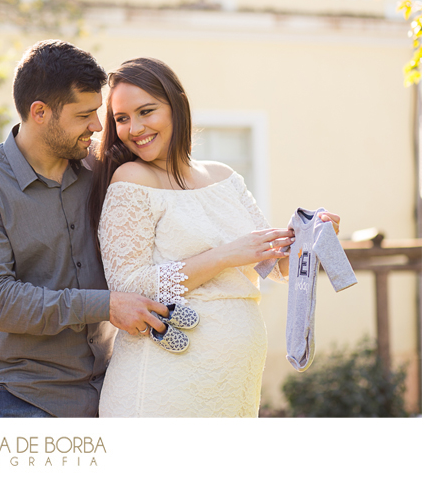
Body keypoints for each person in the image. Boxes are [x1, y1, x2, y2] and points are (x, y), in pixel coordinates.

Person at [88, 57, 340, 418]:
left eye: (146, 111)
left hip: (233, 385)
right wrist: (223, 256)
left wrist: (312, 239)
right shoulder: (131, 179)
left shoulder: (224, 177)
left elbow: (276, 266)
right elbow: (130, 287)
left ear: (176, 105)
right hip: (163, 384)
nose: (135, 128)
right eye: (122, 118)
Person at [0, 40, 169, 418]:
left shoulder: (106, 169)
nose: (97, 127)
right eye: (84, 116)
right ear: (40, 112)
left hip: (116, 394)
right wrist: (106, 305)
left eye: (97, 113)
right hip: (26, 402)